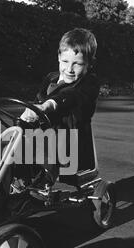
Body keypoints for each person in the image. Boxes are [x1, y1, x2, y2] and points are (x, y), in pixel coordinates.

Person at [18, 27, 100, 190]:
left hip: (70, 141)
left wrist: (48, 105)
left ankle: (40, 186)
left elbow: (71, 96)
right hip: (43, 134)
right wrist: (27, 113)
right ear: (58, 57)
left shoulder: (89, 83)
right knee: (7, 145)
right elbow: (37, 100)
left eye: (77, 64)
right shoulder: (51, 78)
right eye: (65, 62)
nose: (69, 69)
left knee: (46, 148)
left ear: (89, 64)